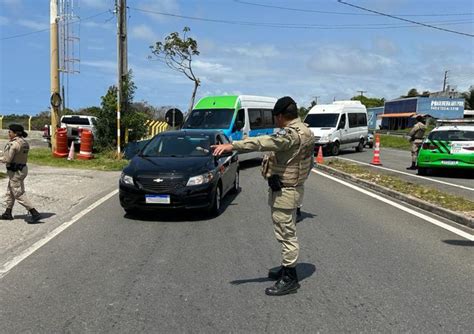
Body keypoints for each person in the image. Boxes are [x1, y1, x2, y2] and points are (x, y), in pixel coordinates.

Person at [211, 96, 314, 296]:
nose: (275, 121)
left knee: (286, 234)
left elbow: (263, 142)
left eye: (276, 117)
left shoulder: (291, 135)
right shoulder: (305, 130)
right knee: (286, 230)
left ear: (281, 116)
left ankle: (290, 278)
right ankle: (286, 268)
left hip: (286, 191)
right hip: (292, 188)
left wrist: (233, 146)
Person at [0, 124, 42, 223]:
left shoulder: (13, 144)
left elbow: (8, 159)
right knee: (10, 191)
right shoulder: (24, 143)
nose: (8, 133)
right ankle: (8, 212)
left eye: (10, 132)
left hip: (15, 172)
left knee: (18, 193)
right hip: (22, 169)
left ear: (15, 133)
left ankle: (34, 212)